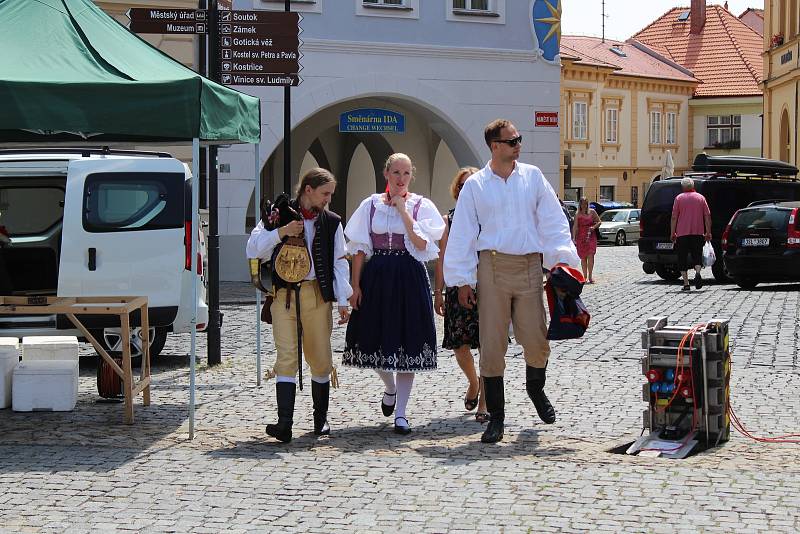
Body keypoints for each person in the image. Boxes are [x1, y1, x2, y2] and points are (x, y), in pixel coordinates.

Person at [444, 119, 580, 444]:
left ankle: (536, 389)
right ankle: (496, 418)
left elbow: (552, 219)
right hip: (491, 266)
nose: (518, 144)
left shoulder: (532, 177)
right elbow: (462, 233)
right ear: (495, 146)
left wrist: (563, 260)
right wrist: (462, 281)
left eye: (519, 139)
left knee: (536, 339)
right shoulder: (476, 185)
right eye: (512, 140)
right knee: (492, 344)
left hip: (531, 265)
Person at [246, 168, 352, 443]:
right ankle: (285, 423)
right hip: (284, 295)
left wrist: (343, 298)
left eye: (330, 194)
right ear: (308, 190)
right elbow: (252, 249)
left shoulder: (331, 222)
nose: (328, 199)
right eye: (324, 193)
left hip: (316, 294)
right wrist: (281, 232)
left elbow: (340, 261)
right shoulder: (278, 213)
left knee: (319, 356)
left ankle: (320, 418)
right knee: (286, 356)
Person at [342, 153, 445, 435]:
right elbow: (360, 249)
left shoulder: (421, 206)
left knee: (408, 340)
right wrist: (355, 286)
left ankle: (401, 413)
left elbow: (422, 242)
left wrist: (403, 210)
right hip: (377, 276)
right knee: (371, 337)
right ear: (386, 174)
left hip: (409, 276)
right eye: (396, 173)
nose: (401, 179)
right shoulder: (370, 205)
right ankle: (389, 388)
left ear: (412, 176)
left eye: (406, 174)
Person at [434, 166, 488, 423]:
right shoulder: (449, 220)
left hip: (488, 286)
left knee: (490, 347)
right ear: (458, 190)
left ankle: (486, 403)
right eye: (463, 185)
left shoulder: (490, 217)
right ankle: (474, 382)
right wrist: (438, 291)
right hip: (457, 288)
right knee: (460, 346)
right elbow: (443, 256)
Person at [670, 177, 711, 291]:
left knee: (681, 258)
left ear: (683, 187)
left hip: (682, 233)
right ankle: (697, 272)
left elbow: (674, 217)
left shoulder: (679, 198)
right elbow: (707, 216)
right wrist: (708, 232)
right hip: (698, 233)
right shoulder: (701, 198)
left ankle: (686, 283)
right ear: (693, 186)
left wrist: (672, 232)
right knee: (697, 255)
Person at [572, 198, 601, 283]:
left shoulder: (592, 212)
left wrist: (594, 227)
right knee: (583, 257)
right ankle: (584, 276)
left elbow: (599, 221)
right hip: (581, 237)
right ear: (580, 205)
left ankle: (590, 276)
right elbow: (575, 226)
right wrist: (573, 238)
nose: (584, 205)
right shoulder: (577, 214)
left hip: (591, 235)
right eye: (582, 204)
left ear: (587, 204)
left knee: (591, 255)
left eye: (585, 204)